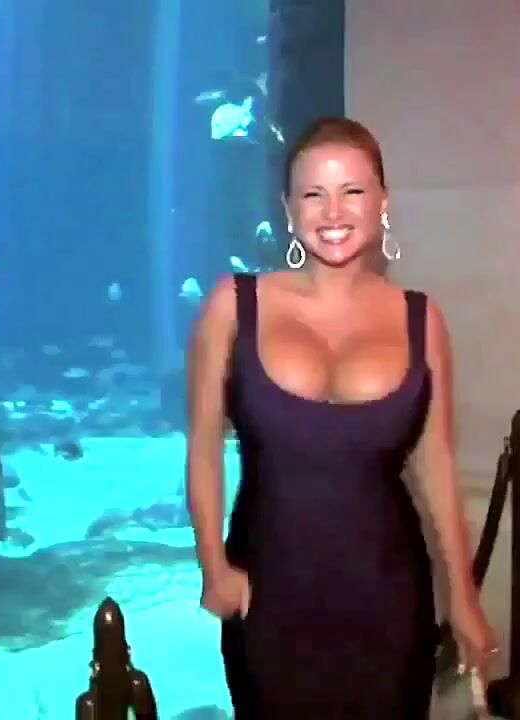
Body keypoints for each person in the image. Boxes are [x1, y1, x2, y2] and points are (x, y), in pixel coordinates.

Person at [184, 116, 497, 717]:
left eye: (352, 190)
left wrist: (462, 597)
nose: (333, 211)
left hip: (390, 597)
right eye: (313, 194)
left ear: (383, 202)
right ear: (288, 209)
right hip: (269, 595)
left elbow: (435, 464)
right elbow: (202, 447)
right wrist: (213, 567)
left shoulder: (422, 319)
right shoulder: (233, 305)